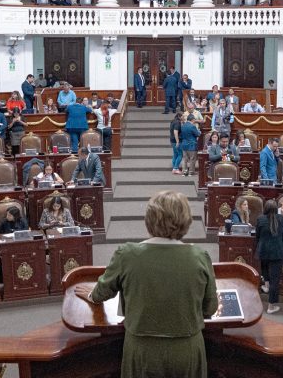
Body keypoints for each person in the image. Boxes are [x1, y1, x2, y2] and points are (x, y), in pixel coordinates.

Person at [74, 191, 216, 377]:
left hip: (142, 350)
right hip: (186, 349)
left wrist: (91, 295)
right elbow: (210, 308)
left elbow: (101, 293)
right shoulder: (200, 257)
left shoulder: (127, 255)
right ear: (186, 220)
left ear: (149, 219)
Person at [255, 200, 283, 314]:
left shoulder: (260, 219)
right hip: (277, 252)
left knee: (264, 267)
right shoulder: (280, 218)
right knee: (275, 280)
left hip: (263, 250)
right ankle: (271, 306)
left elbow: (257, 235)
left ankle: (266, 285)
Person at [179, 113, 201, 177]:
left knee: (185, 159)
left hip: (184, 144)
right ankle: (191, 172)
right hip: (191, 145)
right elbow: (198, 134)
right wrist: (199, 131)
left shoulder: (183, 126)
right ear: (192, 119)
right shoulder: (192, 126)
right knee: (192, 159)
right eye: (194, 120)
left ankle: (184, 171)